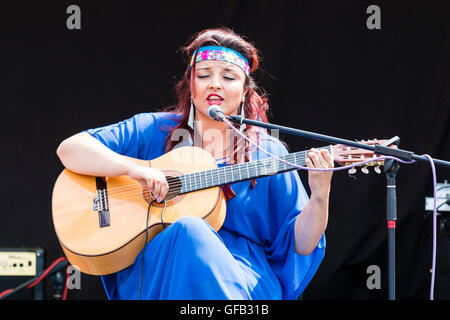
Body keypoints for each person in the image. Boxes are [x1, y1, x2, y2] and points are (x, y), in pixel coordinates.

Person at [56, 27, 334, 300]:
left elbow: (301, 244)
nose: (215, 84)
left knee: (192, 230)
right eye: (204, 75)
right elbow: (71, 149)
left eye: (228, 77)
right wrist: (134, 170)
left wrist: (320, 195)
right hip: (161, 272)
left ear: (244, 91)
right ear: (190, 85)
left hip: (241, 279)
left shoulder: (268, 151)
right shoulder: (154, 130)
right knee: (189, 230)